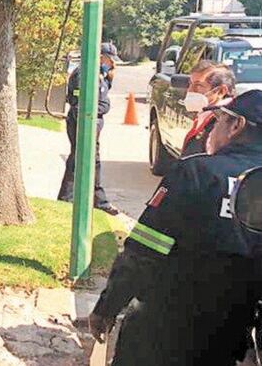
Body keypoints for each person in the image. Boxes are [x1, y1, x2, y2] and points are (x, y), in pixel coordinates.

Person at [88, 90, 262, 365]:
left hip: (162, 328)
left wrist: (107, 307)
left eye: (218, 120)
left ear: (236, 126)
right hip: (228, 335)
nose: (211, 129)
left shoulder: (196, 173)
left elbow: (144, 252)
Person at [57, 42, 120, 215]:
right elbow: (78, 102)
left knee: (94, 161)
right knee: (78, 159)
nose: (111, 63)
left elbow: (102, 97)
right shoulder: (84, 73)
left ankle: (98, 200)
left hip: (94, 123)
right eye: (108, 59)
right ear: (99, 57)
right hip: (83, 123)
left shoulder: (101, 74)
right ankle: (66, 198)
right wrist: (91, 118)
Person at [180, 60, 236, 157]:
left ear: (221, 91)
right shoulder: (208, 116)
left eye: (198, 85)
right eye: (190, 84)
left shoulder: (224, 123)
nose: (190, 91)